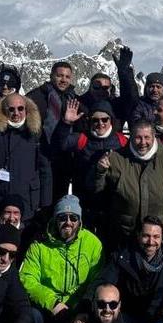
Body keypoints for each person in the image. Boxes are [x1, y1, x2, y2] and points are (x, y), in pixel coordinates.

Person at [92, 119, 163, 246]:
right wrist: (100, 172)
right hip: (124, 233)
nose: (143, 142)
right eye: (138, 138)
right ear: (131, 137)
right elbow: (98, 190)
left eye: (147, 137)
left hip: (157, 234)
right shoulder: (116, 158)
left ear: (154, 136)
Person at [20, 195, 104, 323]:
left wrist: (83, 308)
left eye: (74, 218)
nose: (68, 222)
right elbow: (27, 279)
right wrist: (53, 303)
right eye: (63, 218)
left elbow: (97, 280)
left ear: (80, 221)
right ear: (55, 219)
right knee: (30, 318)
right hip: (47, 306)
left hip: (79, 308)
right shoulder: (40, 245)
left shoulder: (93, 244)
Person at [89, 216, 163, 323]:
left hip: (160, 318)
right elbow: (102, 282)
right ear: (138, 235)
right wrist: (84, 309)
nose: (151, 242)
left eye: (156, 237)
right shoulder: (123, 256)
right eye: (146, 236)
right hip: (127, 318)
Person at [0, 92, 52, 224]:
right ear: (4, 110)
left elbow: (45, 172)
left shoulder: (35, 134)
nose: (16, 113)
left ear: (26, 109)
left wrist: (45, 206)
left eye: (20, 108)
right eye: (11, 109)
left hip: (28, 204)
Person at [51, 99, 127, 235]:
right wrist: (66, 123)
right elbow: (59, 145)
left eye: (105, 119)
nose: (100, 124)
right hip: (85, 201)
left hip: (113, 202)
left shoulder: (121, 141)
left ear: (111, 120)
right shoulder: (82, 138)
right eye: (95, 120)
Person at [27, 61, 79, 199]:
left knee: (59, 198)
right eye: (60, 75)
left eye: (67, 77)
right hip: (39, 156)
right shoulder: (35, 97)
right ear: (51, 76)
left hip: (64, 158)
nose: (63, 80)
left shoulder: (73, 99)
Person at [114, 46, 163, 127]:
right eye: (151, 86)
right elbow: (129, 93)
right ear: (146, 88)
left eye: (158, 87)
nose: (155, 90)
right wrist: (124, 72)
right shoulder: (137, 105)